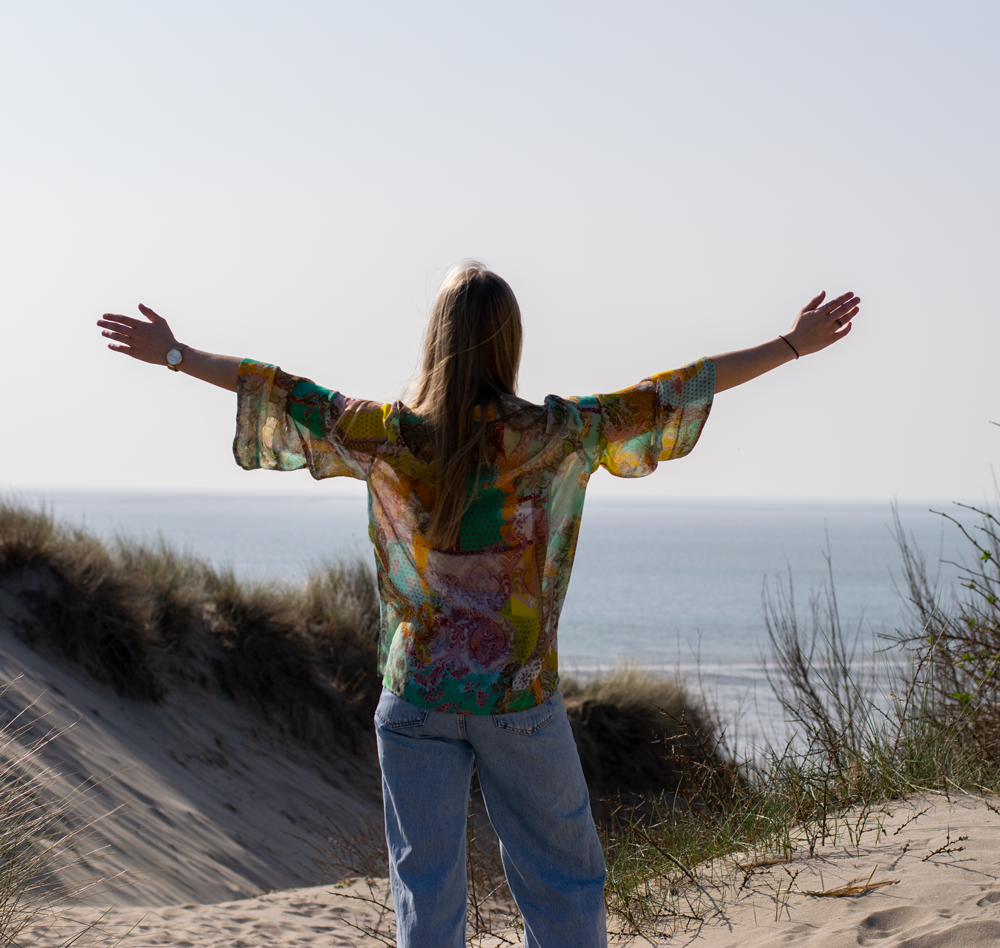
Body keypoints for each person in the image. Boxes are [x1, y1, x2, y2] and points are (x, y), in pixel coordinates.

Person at [97, 263, 859, 947]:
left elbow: (281, 389)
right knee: (563, 885)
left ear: (435, 342)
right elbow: (678, 387)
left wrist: (175, 354)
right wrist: (790, 346)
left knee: (425, 902)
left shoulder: (389, 435)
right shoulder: (557, 434)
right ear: (509, 342)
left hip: (418, 695)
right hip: (516, 697)